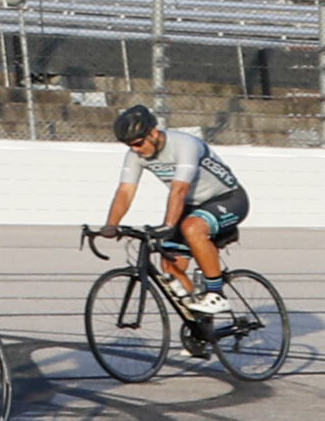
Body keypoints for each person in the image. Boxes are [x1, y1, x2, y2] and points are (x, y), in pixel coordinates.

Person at [102, 103, 248, 325]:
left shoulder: (184, 145)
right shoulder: (136, 155)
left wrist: (169, 225)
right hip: (191, 205)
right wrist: (111, 225)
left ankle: (216, 294)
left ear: (153, 133)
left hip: (228, 198)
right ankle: (202, 326)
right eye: (129, 145)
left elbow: (179, 190)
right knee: (170, 265)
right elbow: (125, 191)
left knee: (192, 227)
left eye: (138, 143)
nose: (135, 150)